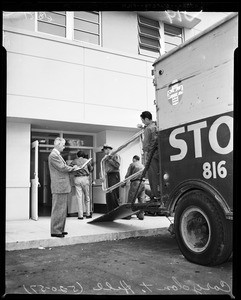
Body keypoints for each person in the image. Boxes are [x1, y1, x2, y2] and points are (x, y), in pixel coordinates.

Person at [48, 137, 79, 238]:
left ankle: (59, 229)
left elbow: (62, 167)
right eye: (63, 145)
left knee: (61, 209)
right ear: (57, 144)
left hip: (62, 186)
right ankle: (55, 231)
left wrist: (71, 168)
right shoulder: (53, 155)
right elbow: (62, 167)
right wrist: (73, 168)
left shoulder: (57, 155)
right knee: (58, 209)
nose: (64, 147)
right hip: (59, 186)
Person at [140, 111, 160, 200]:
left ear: (147, 119)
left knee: (152, 176)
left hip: (151, 155)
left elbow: (146, 145)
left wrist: (145, 157)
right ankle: (159, 193)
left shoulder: (148, 129)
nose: (143, 122)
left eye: (143, 120)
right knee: (158, 175)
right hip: (158, 154)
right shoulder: (156, 126)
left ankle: (155, 194)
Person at [71, 150, 93, 220]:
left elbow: (70, 168)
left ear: (77, 155)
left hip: (77, 179)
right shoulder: (87, 160)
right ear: (83, 155)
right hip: (85, 178)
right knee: (87, 197)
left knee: (79, 197)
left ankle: (80, 216)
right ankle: (88, 214)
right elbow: (91, 169)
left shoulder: (74, 161)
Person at [124, 155, 145, 220]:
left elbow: (128, 175)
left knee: (131, 199)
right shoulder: (143, 166)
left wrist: (124, 182)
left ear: (134, 159)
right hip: (143, 183)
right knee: (141, 200)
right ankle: (141, 215)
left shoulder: (132, 165)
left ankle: (128, 215)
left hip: (135, 183)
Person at [101, 144, 121, 212]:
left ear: (108, 149)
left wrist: (110, 160)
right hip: (108, 175)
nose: (104, 152)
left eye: (104, 150)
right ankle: (110, 210)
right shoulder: (106, 157)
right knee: (108, 192)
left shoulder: (115, 155)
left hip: (114, 174)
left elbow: (117, 165)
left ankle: (116, 209)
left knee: (113, 192)